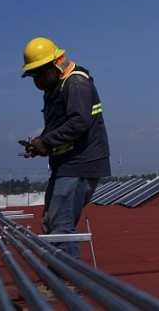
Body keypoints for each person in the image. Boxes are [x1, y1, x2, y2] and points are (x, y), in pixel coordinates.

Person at [20, 37, 111, 261]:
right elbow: (61, 126)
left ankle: (67, 281)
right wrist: (41, 143)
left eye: (40, 74)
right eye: (33, 77)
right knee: (50, 223)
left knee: (61, 223)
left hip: (80, 165)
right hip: (66, 166)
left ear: (55, 64)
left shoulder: (75, 83)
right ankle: (59, 277)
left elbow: (79, 123)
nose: (38, 81)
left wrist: (47, 142)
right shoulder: (56, 88)